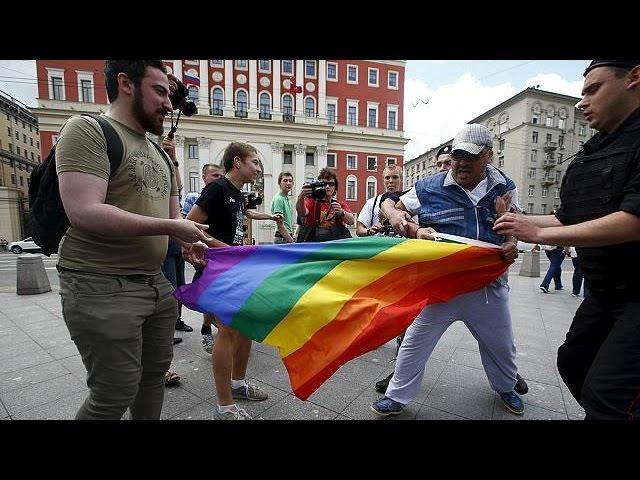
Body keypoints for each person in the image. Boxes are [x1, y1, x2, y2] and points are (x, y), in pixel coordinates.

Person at [55, 60, 210, 420]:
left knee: (152, 380)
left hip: (156, 284)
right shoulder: (88, 129)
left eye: (169, 94)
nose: (168, 104)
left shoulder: (159, 152)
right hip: (99, 282)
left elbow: (172, 218)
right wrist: (173, 228)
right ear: (126, 84)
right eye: (159, 91)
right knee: (113, 392)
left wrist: (189, 242)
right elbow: (83, 211)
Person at [494, 60, 640, 420]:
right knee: (574, 363)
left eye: (594, 89)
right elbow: (568, 216)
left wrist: (540, 233)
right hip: (605, 293)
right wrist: (519, 221)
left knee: (608, 396)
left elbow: (634, 221)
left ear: (633, 78)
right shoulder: (595, 150)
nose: (583, 102)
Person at [371, 124, 527, 417]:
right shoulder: (429, 187)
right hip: (443, 287)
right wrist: (398, 217)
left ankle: (506, 387)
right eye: (456, 155)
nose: (461, 163)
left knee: (501, 345)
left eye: (470, 156)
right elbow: (391, 205)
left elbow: (513, 223)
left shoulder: (504, 185)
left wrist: (511, 242)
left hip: (487, 286)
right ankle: (396, 396)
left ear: (488, 156)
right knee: (415, 343)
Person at [184, 141, 282, 420]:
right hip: (219, 270)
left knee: (245, 328)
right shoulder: (217, 189)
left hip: (236, 269)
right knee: (226, 332)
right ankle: (225, 406)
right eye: (255, 163)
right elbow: (191, 225)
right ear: (237, 162)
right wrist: (224, 249)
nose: (258, 169)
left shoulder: (238, 195)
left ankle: (238, 385)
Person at [181, 163, 223, 354]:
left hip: (220, 253)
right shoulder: (194, 198)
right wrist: (187, 247)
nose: (218, 178)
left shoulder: (224, 196)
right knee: (208, 294)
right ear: (204, 177)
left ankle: (214, 326)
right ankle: (207, 329)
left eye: (220, 175)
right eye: (214, 175)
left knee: (216, 294)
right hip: (204, 252)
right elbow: (183, 222)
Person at [295, 168, 355, 242]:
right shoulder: (311, 201)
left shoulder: (339, 204)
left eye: (331, 184)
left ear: (335, 187)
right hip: (315, 244)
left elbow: (351, 221)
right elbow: (302, 212)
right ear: (319, 185)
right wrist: (301, 197)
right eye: (324, 184)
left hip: (334, 245)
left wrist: (341, 212)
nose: (327, 186)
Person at [356, 165, 403, 238]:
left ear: (401, 179)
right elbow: (359, 229)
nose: (391, 181)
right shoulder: (371, 202)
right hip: (379, 246)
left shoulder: (409, 202)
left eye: (395, 177)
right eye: (387, 178)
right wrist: (369, 231)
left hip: (401, 246)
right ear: (383, 180)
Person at [271, 171, 295, 243]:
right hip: (282, 238)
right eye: (285, 181)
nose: (288, 183)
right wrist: (292, 242)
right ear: (279, 183)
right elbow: (280, 225)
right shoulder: (278, 199)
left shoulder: (288, 200)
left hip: (287, 236)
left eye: (290, 181)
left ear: (293, 184)